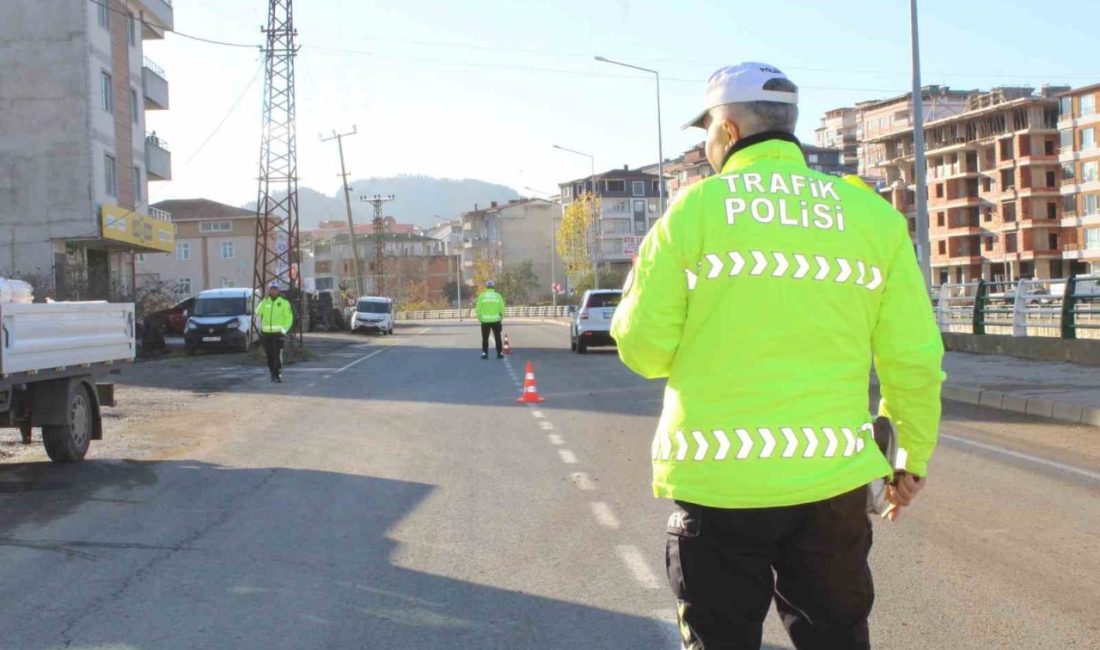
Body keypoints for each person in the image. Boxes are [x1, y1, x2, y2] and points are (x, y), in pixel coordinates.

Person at [610, 62, 945, 650]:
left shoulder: (693, 212)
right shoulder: (872, 218)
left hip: (719, 484)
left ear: (729, 132)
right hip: (833, 482)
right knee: (836, 638)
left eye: (706, 132)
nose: (706, 145)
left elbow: (643, 350)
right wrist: (909, 457)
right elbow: (913, 357)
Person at [256, 282, 294, 382]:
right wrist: (264, 300)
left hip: (278, 333)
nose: (273, 291)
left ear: (278, 290)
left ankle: (277, 374)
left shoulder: (284, 302)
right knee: (269, 355)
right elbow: (258, 311)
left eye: (275, 289)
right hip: (266, 333)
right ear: (269, 290)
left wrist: (284, 330)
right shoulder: (266, 301)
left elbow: (289, 318)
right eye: (271, 289)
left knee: (277, 354)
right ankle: (272, 372)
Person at [475, 280, 505, 359]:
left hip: (485, 321)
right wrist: (501, 318)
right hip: (496, 320)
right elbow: (502, 308)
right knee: (498, 337)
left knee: (485, 338)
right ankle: (499, 354)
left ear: (486, 287)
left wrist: (479, 318)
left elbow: (478, 308)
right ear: (493, 287)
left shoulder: (482, 296)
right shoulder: (498, 296)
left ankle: (485, 354)